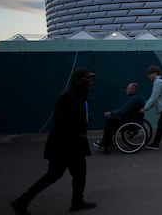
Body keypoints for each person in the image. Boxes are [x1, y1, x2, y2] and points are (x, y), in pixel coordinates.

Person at [11, 67, 97, 214]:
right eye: (87, 79)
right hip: (65, 146)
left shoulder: (78, 94)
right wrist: (73, 142)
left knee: (79, 173)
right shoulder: (67, 97)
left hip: (74, 144)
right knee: (53, 175)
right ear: (77, 81)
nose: (90, 82)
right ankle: (21, 201)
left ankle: (77, 201)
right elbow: (62, 125)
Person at [93, 83, 145, 154]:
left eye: (128, 88)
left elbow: (123, 111)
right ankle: (107, 142)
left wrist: (111, 113)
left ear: (133, 90)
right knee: (111, 121)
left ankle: (106, 142)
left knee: (109, 122)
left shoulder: (134, 99)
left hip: (129, 120)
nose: (126, 90)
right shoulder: (139, 97)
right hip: (132, 118)